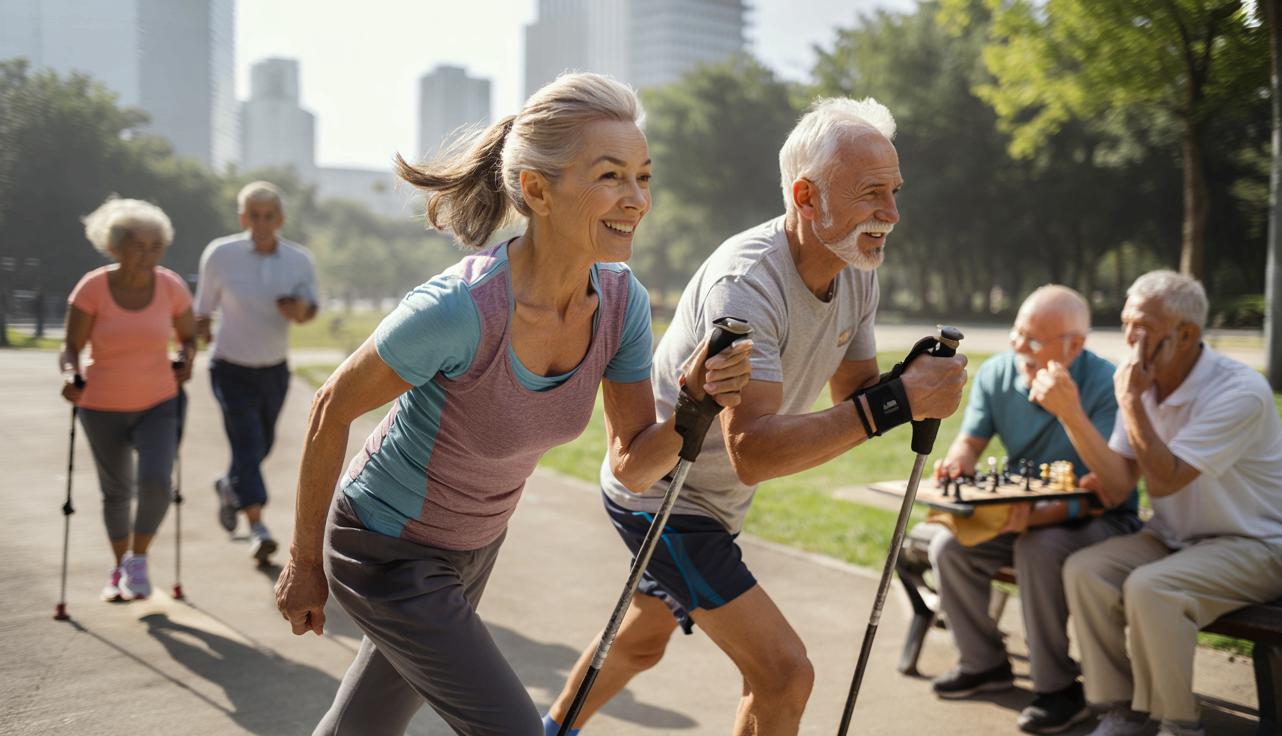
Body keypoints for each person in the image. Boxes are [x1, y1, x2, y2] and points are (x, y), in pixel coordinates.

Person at [272, 72, 752, 736]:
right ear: (537, 190)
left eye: (644, 177)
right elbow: (331, 406)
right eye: (611, 176)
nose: (637, 199)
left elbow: (635, 465)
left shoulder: (621, 303)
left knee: (362, 727)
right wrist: (303, 563)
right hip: (386, 547)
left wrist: (697, 407)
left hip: (473, 548)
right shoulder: (461, 310)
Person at [544, 97, 968, 736]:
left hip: (717, 502)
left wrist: (909, 383)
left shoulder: (855, 268)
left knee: (642, 642)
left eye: (895, 191)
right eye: (871, 193)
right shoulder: (746, 285)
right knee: (783, 674)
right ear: (806, 197)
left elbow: (854, 393)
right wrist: (895, 402)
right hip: (663, 495)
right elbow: (755, 451)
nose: (892, 213)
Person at [1061, 271, 1282, 736]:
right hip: (1175, 538)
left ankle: (1177, 725)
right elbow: (1119, 484)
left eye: (1142, 326)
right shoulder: (1141, 382)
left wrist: (1131, 402)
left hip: (1260, 546)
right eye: (1126, 323)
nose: (1130, 338)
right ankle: (1122, 710)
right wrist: (1070, 413)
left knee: (1153, 588)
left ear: (1187, 334)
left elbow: (1167, 480)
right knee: (1086, 570)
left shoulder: (1239, 391)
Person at [925, 285, 1140, 734]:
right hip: (1020, 511)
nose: (1019, 346)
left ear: (1075, 346)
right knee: (949, 548)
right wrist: (959, 460)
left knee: (1039, 548)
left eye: (1034, 340)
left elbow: (1110, 489)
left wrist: (1068, 410)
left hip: (1099, 521)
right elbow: (970, 441)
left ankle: (1057, 687)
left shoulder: (1106, 383)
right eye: (1017, 332)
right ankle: (984, 663)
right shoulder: (997, 372)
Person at [59, 197, 196, 601]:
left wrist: (186, 357)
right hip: (101, 405)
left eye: (157, 246)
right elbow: (71, 347)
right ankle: (119, 566)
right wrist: (70, 375)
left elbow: (188, 338)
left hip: (159, 401)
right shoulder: (92, 288)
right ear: (114, 246)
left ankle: (138, 560)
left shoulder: (171, 286)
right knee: (116, 491)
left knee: (156, 482)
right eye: (139, 245)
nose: (149, 254)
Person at [194, 181, 318, 564]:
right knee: (247, 443)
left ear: (280, 219)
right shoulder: (220, 254)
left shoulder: (299, 260)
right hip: (229, 367)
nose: (261, 223)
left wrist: (299, 310)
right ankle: (258, 526)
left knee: (261, 446)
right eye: (254, 216)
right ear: (242, 218)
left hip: (274, 370)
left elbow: (310, 310)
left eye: (269, 216)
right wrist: (193, 342)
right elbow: (202, 311)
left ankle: (228, 485)